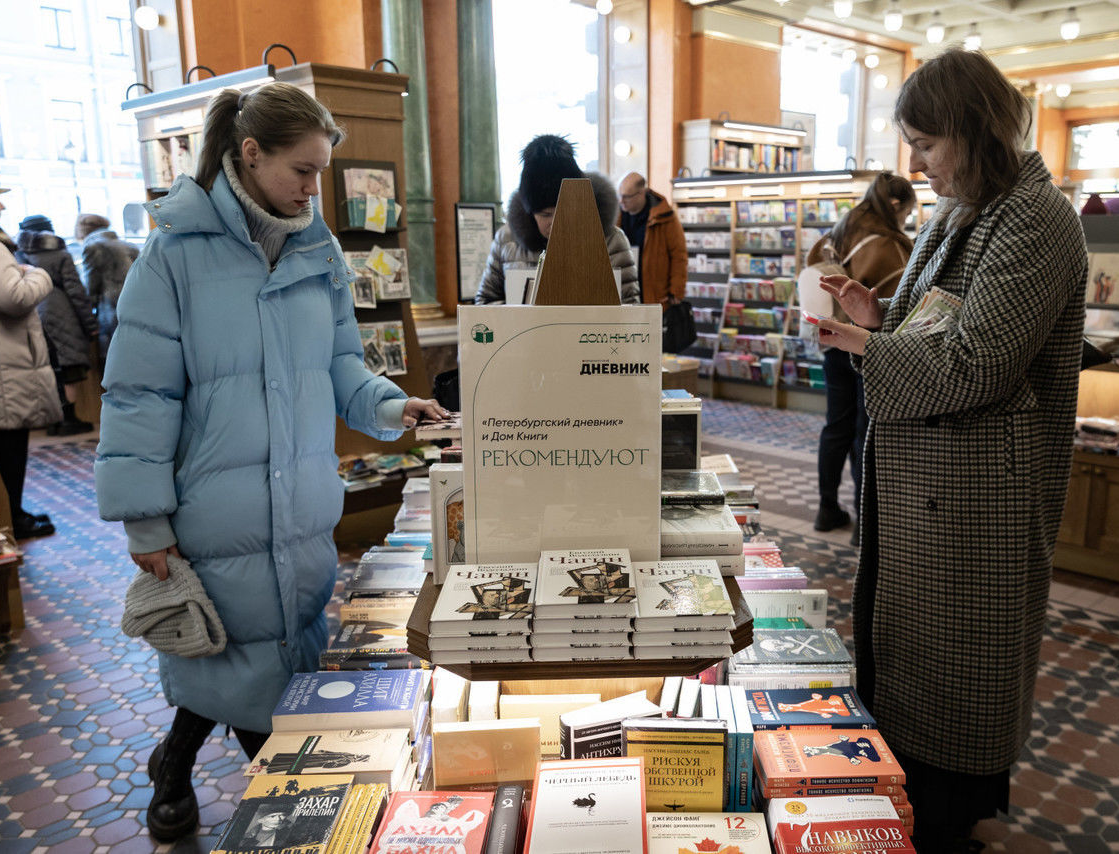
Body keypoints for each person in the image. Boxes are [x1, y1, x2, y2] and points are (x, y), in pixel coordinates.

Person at [93, 82, 448, 843]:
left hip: (303, 504)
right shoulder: (173, 255)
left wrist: (393, 407)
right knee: (239, 655)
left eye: (322, 172)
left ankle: (175, 764)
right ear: (249, 155)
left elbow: (344, 366)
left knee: (257, 650)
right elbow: (137, 397)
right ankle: (287, 811)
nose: (313, 189)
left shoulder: (317, 248)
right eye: (303, 170)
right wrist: (145, 519)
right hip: (213, 511)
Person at [815, 48, 1087, 853]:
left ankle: (946, 820)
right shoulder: (971, 207)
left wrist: (869, 346)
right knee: (915, 667)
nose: (914, 162)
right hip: (936, 491)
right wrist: (879, 313)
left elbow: (979, 360)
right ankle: (923, 807)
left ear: (973, 134)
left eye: (927, 144)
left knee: (958, 685)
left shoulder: (1034, 217)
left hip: (977, 503)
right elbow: (941, 313)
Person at [804, 172, 914, 535]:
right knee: (865, 430)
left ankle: (826, 509)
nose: (906, 222)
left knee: (835, 425)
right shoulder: (888, 242)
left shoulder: (840, 229)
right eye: (907, 213)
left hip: (833, 339)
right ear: (897, 206)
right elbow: (901, 302)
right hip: (869, 345)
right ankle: (864, 523)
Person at [0, 168, 62, 539]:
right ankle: (11, 517)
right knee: (7, 445)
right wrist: (37, 274)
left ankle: (13, 510)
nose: (1, 205)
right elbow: (14, 297)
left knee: (5, 444)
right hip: (1, 362)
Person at [474, 134, 639, 305]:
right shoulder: (506, 240)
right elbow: (484, 302)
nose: (555, 221)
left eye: (562, 210)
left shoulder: (610, 240)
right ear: (530, 213)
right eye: (545, 215)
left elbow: (632, 309)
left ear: (578, 204)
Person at [15, 214, 98, 435]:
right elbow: (76, 292)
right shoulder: (60, 254)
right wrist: (91, 325)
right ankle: (68, 420)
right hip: (61, 312)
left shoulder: (18, 255)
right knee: (68, 368)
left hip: (32, 312)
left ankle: (53, 420)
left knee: (48, 368)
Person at [77, 213, 140, 367]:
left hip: (111, 314)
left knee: (115, 365)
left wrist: (88, 315)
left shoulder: (92, 247)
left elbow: (91, 287)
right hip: (138, 310)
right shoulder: (130, 246)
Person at [616, 171, 686, 306]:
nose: (621, 201)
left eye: (626, 197)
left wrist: (676, 291)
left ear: (641, 193)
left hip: (654, 294)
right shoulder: (615, 217)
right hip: (623, 292)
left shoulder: (665, 217)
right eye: (619, 195)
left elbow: (679, 255)